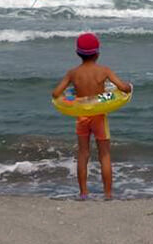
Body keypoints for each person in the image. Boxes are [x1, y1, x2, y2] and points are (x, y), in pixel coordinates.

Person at [52, 33, 132, 199]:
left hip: (82, 117)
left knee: (83, 153)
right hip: (99, 117)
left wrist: (72, 94)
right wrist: (129, 87)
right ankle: (108, 194)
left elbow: (56, 93)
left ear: (77, 53)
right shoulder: (104, 70)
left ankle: (83, 193)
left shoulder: (73, 73)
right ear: (97, 53)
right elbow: (123, 88)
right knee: (104, 154)